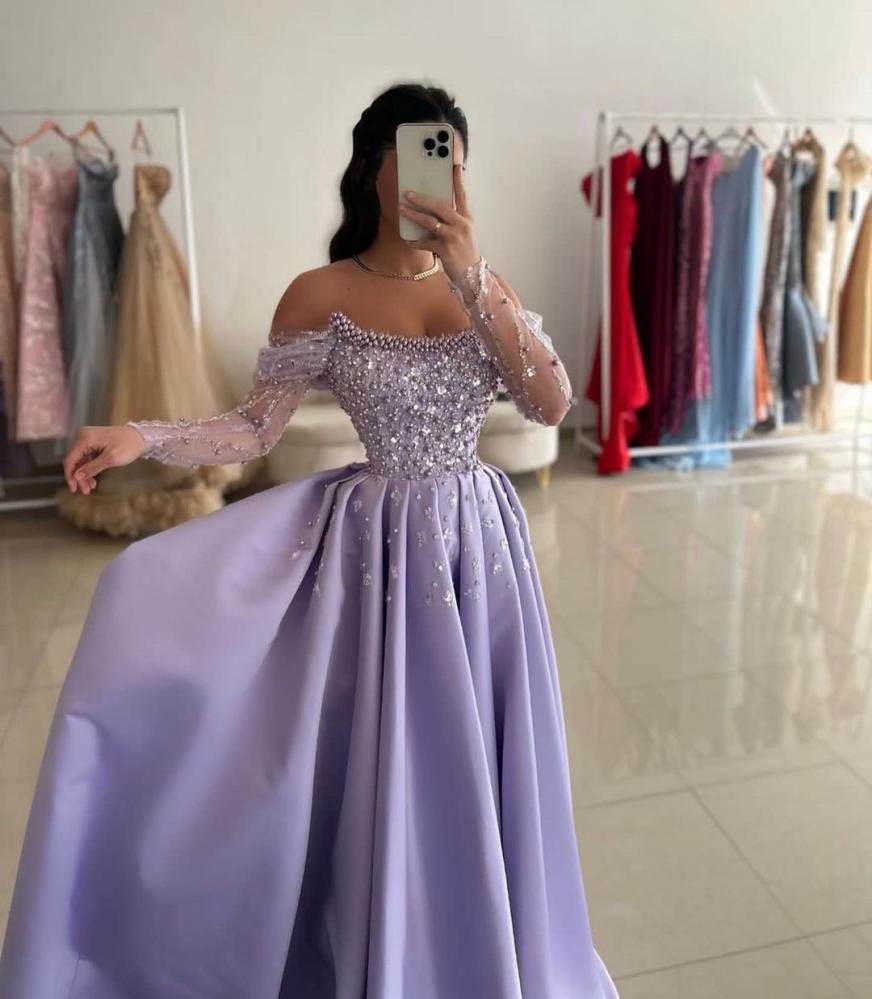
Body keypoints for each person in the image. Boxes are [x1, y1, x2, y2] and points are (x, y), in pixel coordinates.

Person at [0, 83, 619, 998]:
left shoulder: (486, 287)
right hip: (380, 559)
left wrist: (473, 274)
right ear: (373, 170)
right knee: (385, 757)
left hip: (478, 550)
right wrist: (141, 435)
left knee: (482, 755)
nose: (440, 180)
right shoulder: (319, 295)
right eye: (420, 158)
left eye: (453, 161)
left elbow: (552, 403)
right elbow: (254, 428)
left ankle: (490, 944)